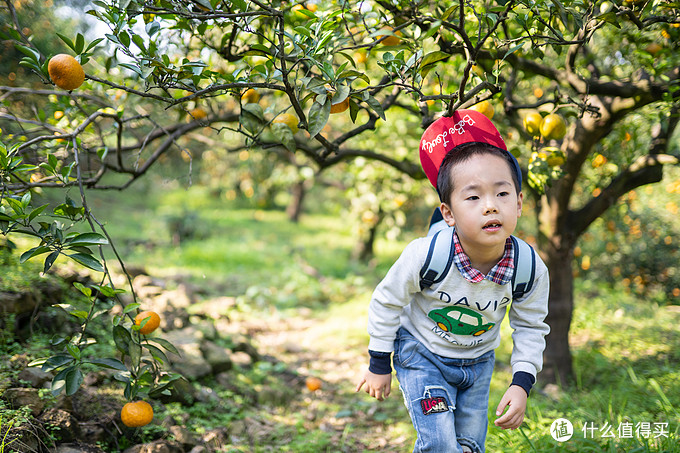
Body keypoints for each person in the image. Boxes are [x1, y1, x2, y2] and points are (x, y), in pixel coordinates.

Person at [355, 109, 550, 453]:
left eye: (502, 194)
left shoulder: (529, 268)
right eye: (473, 197)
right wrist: (378, 362)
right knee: (441, 444)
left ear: (519, 203)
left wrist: (522, 383)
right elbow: (387, 300)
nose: (490, 206)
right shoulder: (427, 255)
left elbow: (531, 326)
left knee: (469, 446)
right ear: (448, 213)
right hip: (421, 354)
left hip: (478, 364)